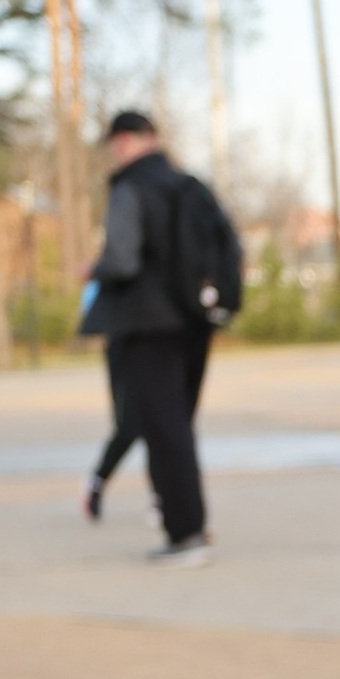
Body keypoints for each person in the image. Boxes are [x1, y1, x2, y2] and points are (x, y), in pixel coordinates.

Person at [84, 112, 225, 564]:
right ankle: (191, 527)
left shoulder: (130, 189)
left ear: (123, 141)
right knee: (178, 428)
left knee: (162, 432)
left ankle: (186, 534)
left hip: (147, 325)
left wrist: (95, 268)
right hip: (195, 322)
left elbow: (122, 260)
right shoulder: (190, 186)